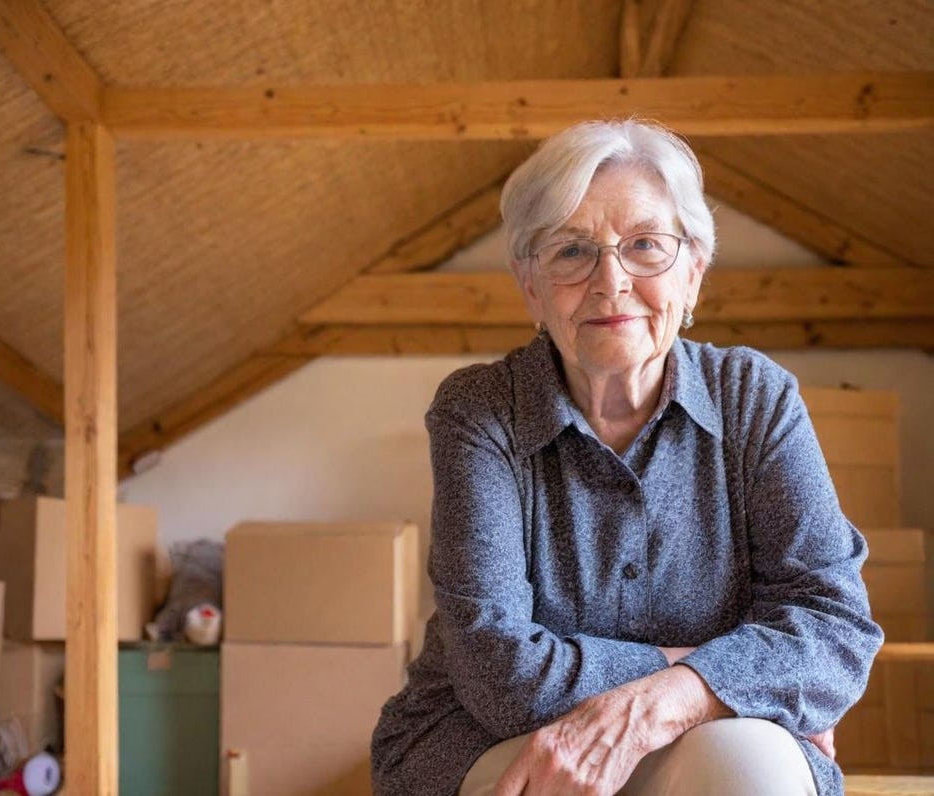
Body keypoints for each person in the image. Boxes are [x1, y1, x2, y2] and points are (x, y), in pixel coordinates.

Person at [370, 119, 882, 796]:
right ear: (530, 285)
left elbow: (833, 626)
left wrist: (668, 699)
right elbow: (499, 674)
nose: (610, 281)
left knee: (748, 765)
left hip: (711, 729)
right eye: (571, 251)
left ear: (693, 271)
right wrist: (714, 672)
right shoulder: (479, 411)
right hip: (489, 733)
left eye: (644, 245)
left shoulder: (754, 397)